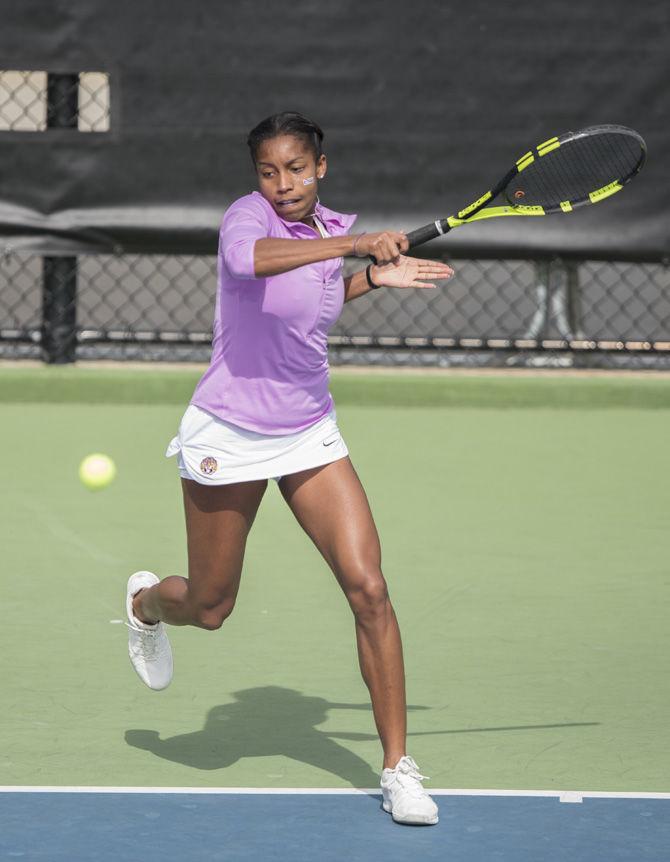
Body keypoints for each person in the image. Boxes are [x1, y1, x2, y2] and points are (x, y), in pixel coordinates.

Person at [125, 111, 453, 825]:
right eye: (270, 171)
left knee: (369, 588)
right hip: (229, 430)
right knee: (210, 608)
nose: (284, 184)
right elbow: (254, 264)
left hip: (308, 428)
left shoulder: (327, 227)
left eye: (297, 169)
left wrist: (368, 276)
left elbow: (311, 308)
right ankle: (146, 604)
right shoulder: (245, 221)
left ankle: (399, 768)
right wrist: (356, 243)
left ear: (321, 167)